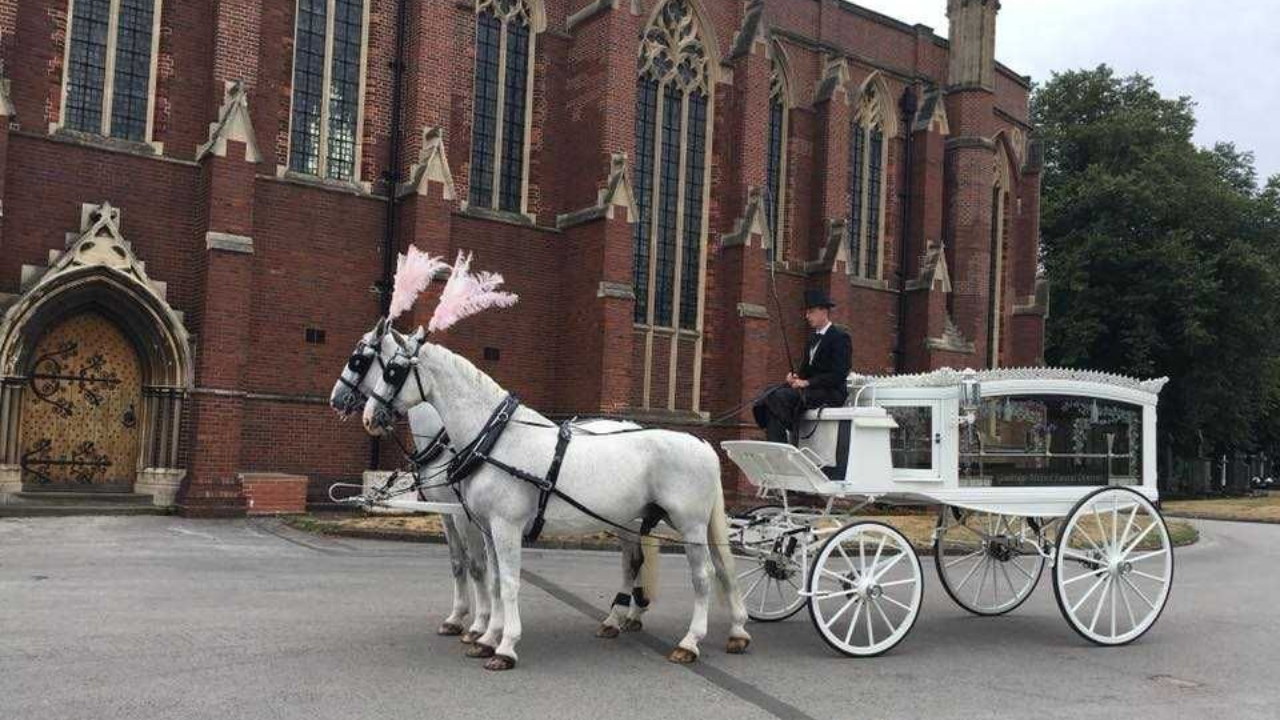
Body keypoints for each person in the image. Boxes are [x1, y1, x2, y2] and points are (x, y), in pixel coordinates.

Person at [752, 289, 852, 444]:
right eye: (806, 312)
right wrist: (795, 378)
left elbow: (839, 374)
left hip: (830, 393)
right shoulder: (812, 339)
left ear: (823, 311)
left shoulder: (839, 337)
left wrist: (807, 383)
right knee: (769, 393)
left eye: (811, 312)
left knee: (780, 397)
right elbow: (805, 371)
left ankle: (783, 442)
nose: (807, 316)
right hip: (812, 390)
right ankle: (775, 441)